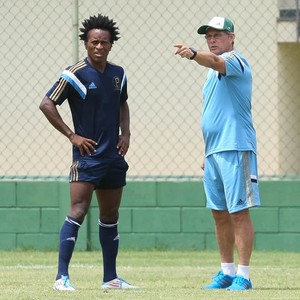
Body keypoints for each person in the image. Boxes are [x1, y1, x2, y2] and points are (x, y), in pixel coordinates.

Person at [40, 14, 139, 291]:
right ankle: (61, 278)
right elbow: (47, 104)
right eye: (94, 42)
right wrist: (72, 135)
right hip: (87, 157)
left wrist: (126, 134)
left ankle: (111, 279)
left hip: (113, 158)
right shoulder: (74, 74)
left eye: (104, 42)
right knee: (78, 210)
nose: (99, 46)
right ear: (86, 43)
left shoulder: (119, 74)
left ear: (111, 45)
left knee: (110, 216)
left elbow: (123, 104)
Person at [174, 16, 260, 290]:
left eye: (218, 35)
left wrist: (192, 54)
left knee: (239, 213)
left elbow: (214, 61)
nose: (212, 40)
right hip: (215, 152)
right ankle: (226, 271)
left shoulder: (236, 61)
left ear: (231, 37)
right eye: (208, 36)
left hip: (236, 148)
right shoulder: (211, 73)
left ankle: (243, 276)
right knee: (219, 213)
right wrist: (208, 152)